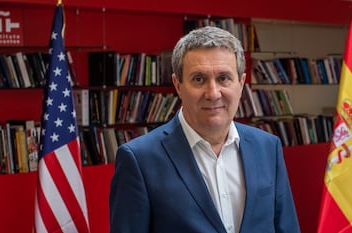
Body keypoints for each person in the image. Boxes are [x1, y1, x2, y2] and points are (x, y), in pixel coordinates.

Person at [109, 26, 300, 233]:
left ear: (241, 83)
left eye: (223, 78)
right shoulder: (139, 159)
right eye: (199, 79)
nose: (213, 93)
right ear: (178, 85)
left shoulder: (268, 147)